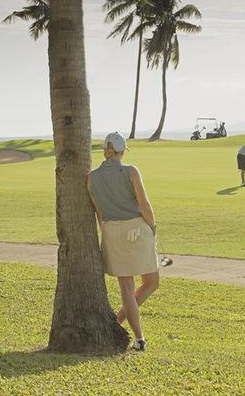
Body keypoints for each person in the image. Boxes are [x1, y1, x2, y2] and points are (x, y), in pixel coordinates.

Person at [87, 132, 159, 352]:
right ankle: (136, 337)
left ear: (106, 150)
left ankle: (121, 326)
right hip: (137, 227)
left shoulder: (92, 177)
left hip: (110, 229)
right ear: (121, 151)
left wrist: (108, 232)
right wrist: (153, 226)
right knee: (151, 281)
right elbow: (144, 204)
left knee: (127, 287)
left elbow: (99, 212)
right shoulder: (131, 171)